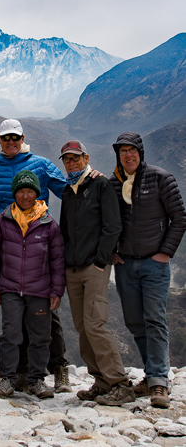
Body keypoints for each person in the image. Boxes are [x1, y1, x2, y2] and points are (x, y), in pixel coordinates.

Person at [0, 119, 71, 392]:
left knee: (46, 319)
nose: (11, 141)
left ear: (22, 138)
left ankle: (58, 367)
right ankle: (19, 373)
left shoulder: (41, 164)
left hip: (39, 248)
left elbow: (68, 192)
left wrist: (91, 181)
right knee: (13, 320)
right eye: (6, 137)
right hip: (7, 250)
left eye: (15, 137)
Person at [109, 132, 186, 409]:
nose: (128, 156)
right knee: (134, 322)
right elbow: (107, 222)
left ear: (140, 153)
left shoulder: (160, 178)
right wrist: (113, 253)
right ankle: (151, 374)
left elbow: (180, 218)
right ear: (117, 155)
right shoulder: (113, 184)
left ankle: (159, 382)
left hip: (154, 264)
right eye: (122, 152)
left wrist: (165, 253)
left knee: (154, 319)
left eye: (132, 151)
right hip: (125, 264)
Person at [58, 140, 135, 406]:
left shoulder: (100, 185)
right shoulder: (69, 191)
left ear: (86, 157)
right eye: (67, 159)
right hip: (73, 268)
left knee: (95, 324)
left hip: (94, 267)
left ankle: (119, 382)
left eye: (75, 158)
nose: (71, 163)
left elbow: (112, 226)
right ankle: (100, 381)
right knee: (82, 327)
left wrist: (101, 261)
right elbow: (65, 230)